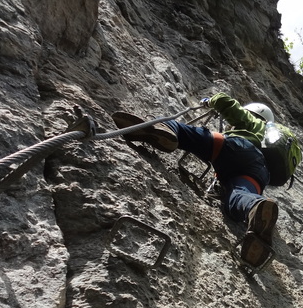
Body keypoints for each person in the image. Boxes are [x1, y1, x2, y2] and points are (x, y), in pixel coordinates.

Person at [112, 93, 278, 268]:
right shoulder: (273, 139)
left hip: (239, 148)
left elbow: (227, 103)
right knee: (239, 195)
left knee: (189, 134)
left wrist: (209, 101)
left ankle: (166, 129)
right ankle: (255, 206)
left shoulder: (254, 121)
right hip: (260, 172)